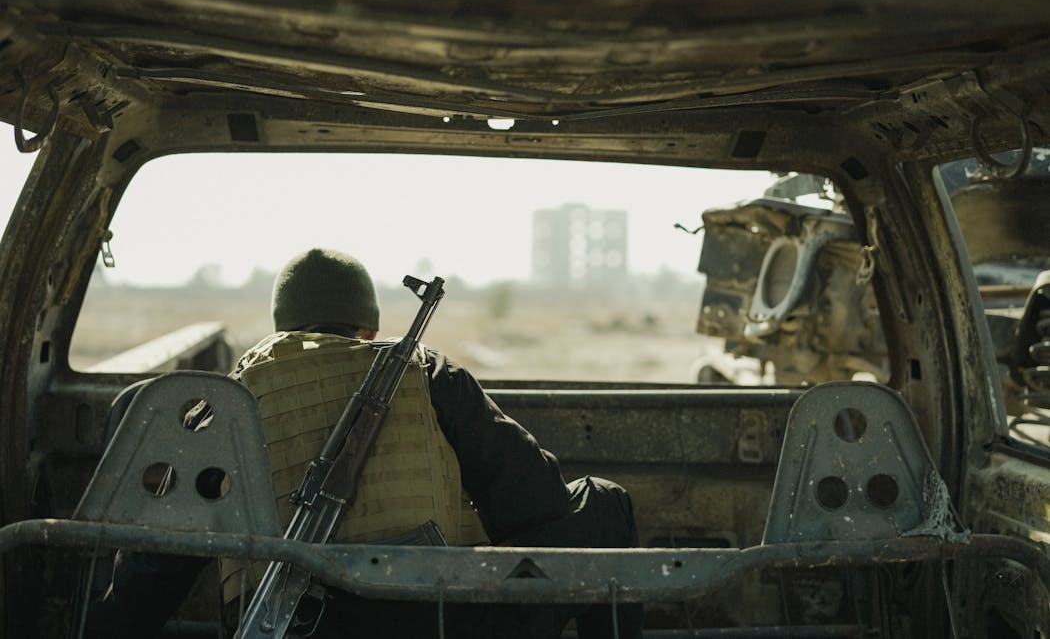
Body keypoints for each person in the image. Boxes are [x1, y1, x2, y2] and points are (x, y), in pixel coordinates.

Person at [85, 248, 642, 639]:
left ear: (282, 324)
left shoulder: (228, 405)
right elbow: (538, 500)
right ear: (369, 329)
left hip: (280, 624)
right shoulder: (425, 373)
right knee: (604, 500)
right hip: (432, 621)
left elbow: (157, 565)